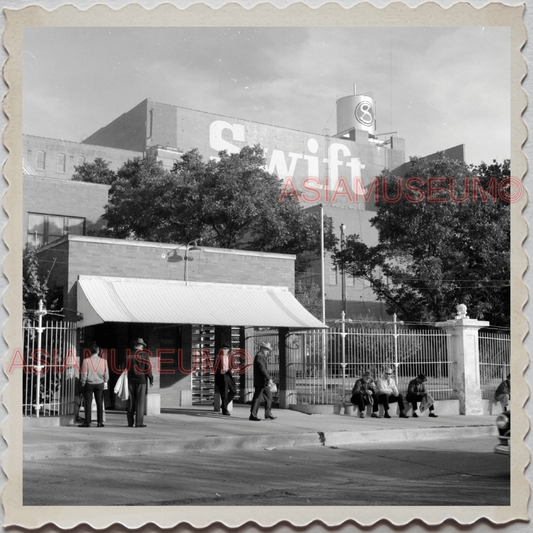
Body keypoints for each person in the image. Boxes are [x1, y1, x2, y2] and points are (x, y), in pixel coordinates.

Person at [79, 342, 109, 428]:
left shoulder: (86, 361)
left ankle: (87, 422)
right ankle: (100, 422)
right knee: (99, 402)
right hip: (100, 383)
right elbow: (106, 374)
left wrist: (83, 382)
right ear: (98, 351)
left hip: (89, 383)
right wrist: (105, 380)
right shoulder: (104, 361)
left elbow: (84, 373)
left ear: (90, 351)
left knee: (88, 403)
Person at [127, 338, 153, 428]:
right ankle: (139, 423)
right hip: (141, 380)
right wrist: (151, 379)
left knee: (131, 402)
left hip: (130, 380)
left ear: (135, 345)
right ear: (141, 346)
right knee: (140, 402)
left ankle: (130, 422)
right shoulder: (145, 355)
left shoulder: (129, 354)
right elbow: (148, 368)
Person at [249, 341, 276, 421]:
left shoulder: (262, 356)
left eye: (268, 350)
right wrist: (269, 378)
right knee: (257, 398)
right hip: (261, 381)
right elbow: (262, 369)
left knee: (269, 397)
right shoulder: (259, 356)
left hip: (264, 382)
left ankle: (268, 413)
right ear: (263, 349)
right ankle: (253, 415)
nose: (268, 351)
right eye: (267, 350)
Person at [215, 344, 237, 416]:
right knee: (224, 393)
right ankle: (225, 410)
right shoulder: (218, 357)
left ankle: (224, 404)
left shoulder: (229, 357)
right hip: (222, 376)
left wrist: (232, 370)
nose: (225, 351)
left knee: (234, 391)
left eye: (226, 349)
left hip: (228, 376)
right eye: (223, 349)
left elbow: (231, 366)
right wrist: (222, 370)